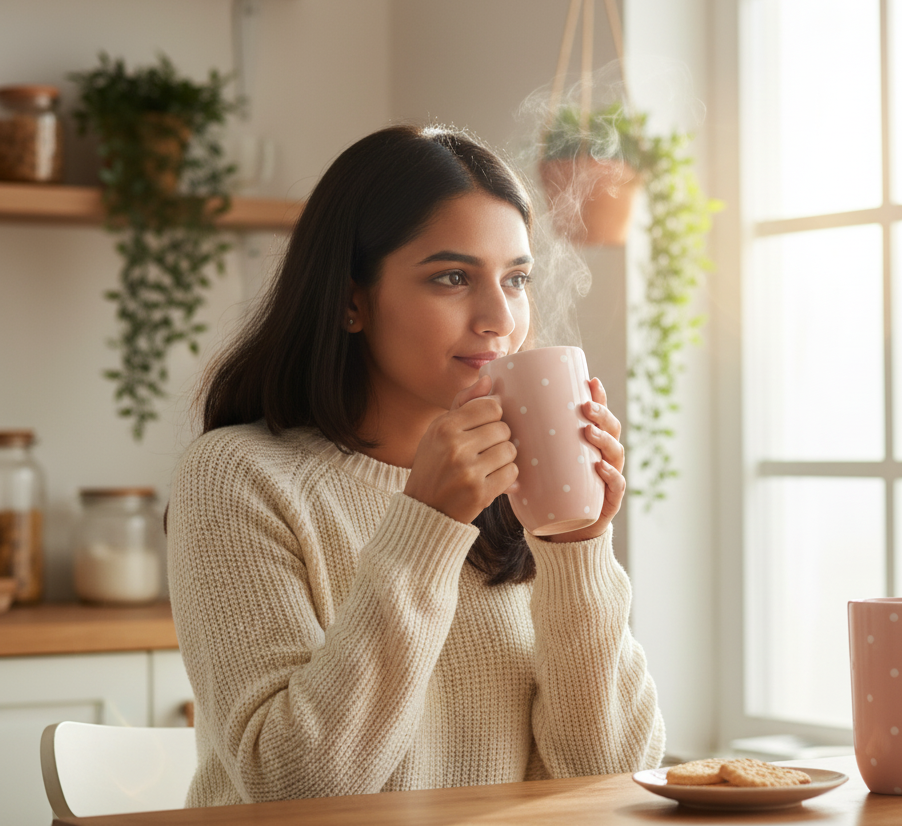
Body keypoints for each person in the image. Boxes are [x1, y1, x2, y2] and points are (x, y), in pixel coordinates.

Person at [167, 125, 665, 807]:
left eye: (516, 279)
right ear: (351, 300)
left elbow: (610, 777)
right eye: (453, 278)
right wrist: (428, 522)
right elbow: (295, 788)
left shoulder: (519, 486)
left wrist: (577, 549)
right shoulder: (237, 476)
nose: (499, 318)